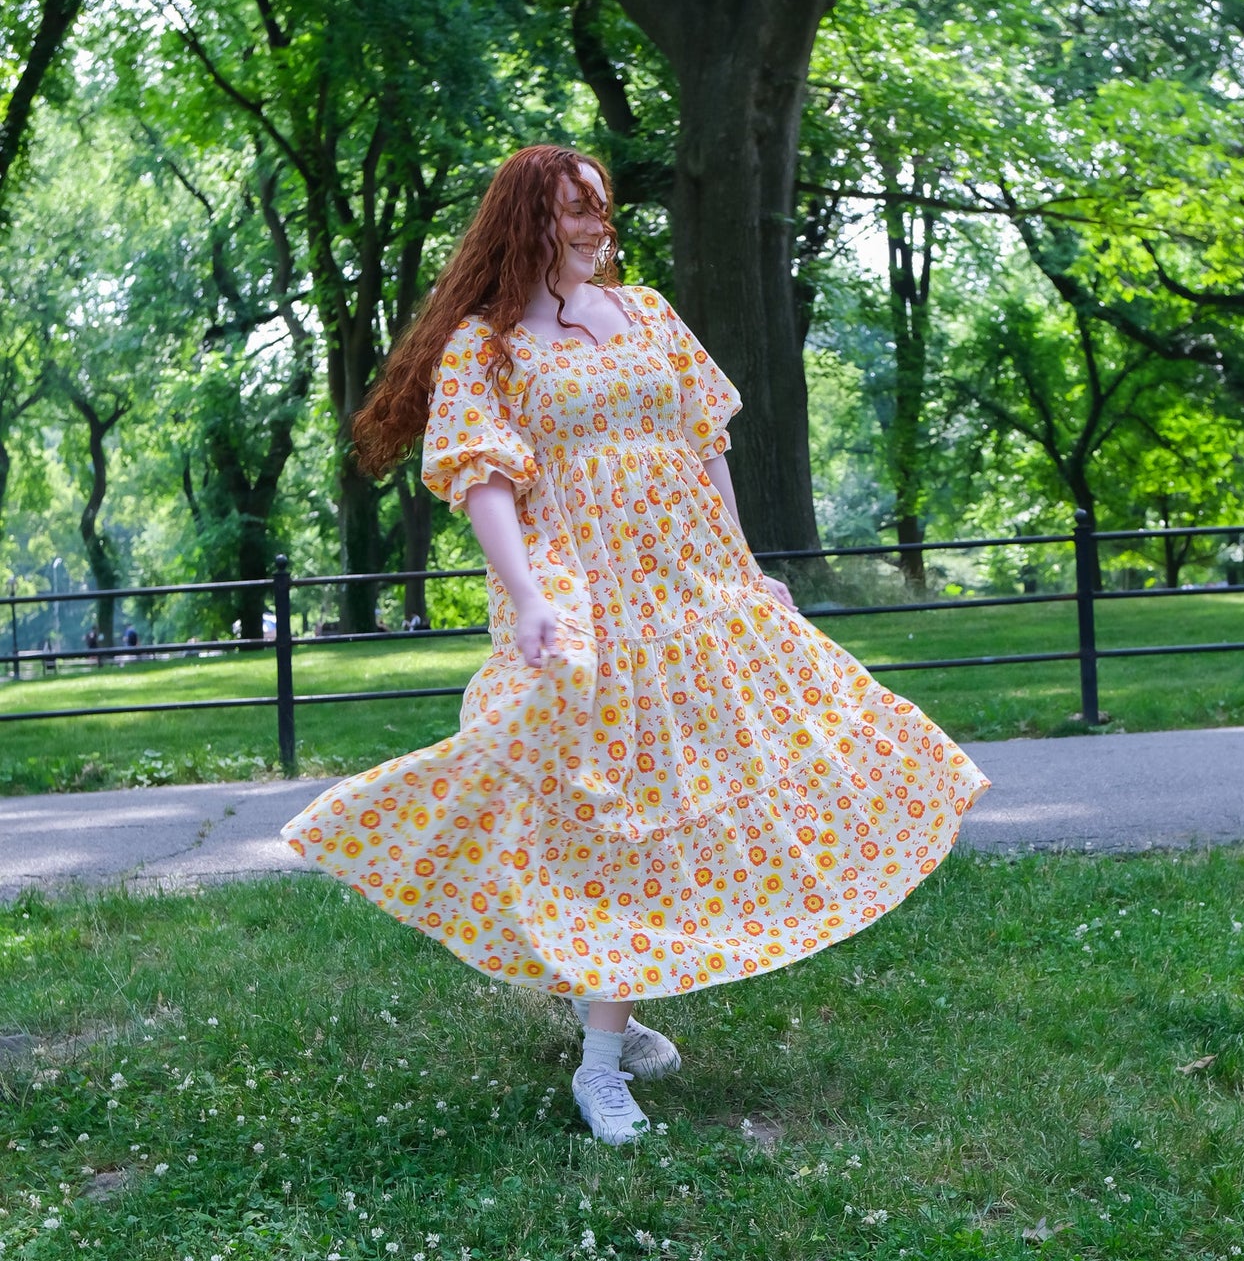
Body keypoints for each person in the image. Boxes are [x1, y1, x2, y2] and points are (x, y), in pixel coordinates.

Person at [281, 145, 989, 1145]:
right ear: (525, 220)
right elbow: (484, 481)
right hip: (582, 587)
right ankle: (600, 1063)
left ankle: (604, 996)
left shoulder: (648, 313)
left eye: (600, 207)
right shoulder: (485, 346)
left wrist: (744, 568)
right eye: (573, 209)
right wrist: (527, 595)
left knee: (700, 775)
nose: (595, 225)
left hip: (687, 586)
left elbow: (706, 445)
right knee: (598, 796)